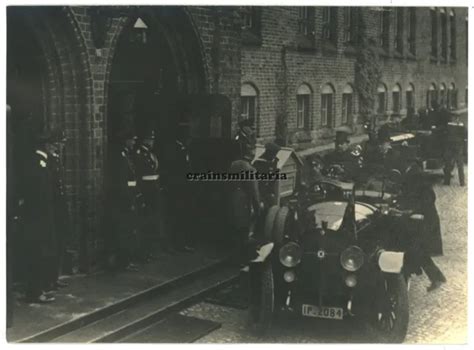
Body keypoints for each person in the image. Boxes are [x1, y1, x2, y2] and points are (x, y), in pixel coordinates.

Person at [22, 128, 59, 303]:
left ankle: (39, 288)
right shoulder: (38, 163)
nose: (55, 147)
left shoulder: (43, 162)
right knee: (37, 253)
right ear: (45, 145)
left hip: (42, 217)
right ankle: (35, 292)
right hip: (38, 218)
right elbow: (38, 194)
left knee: (42, 252)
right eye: (52, 144)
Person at [399, 162, 446, 292]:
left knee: (416, 249)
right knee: (419, 250)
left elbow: (422, 203)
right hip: (424, 221)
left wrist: (410, 211)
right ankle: (436, 277)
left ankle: (409, 277)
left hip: (424, 222)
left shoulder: (416, 179)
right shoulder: (420, 181)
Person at [107, 128, 140, 271]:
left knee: (128, 230)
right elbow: (122, 182)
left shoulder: (126, 154)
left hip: (129, 197)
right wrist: (129, 201)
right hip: (123, 201)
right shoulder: (120, 156)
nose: (134, 142)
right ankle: (122, 262)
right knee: (123, 231)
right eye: (132, 139)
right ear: (126, 140)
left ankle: (126, 260)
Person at [163, 124, 195, 253]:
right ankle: (171, 244)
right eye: (187, 137)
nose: (189, 140)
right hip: (175, 189)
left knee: (182, 216)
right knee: (173, 217)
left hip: (183, 189)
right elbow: (172, 170)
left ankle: (181, 243)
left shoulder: (183, 148)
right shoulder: (174, 149)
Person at [47, 128, 70, 291]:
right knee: (51, 244)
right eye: (60, 143)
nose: (61, 146)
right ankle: (50, 279)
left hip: (59, 207)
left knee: (59, 242)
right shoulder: (48, 161)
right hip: (52, 208)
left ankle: (54, 277)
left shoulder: (55, 160)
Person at [135, 129, 161, 261]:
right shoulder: (140, 154)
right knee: (144, 225)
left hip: (153, 193)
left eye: (153, 139)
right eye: (150, 139)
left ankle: (148, 252)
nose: (152, 141)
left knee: (151, 224)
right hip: (146, 194)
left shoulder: (150, 155)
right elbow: (140, 176)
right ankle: (143, 254)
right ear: (145, 140)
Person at [252, 142, 281, 209]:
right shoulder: (258, 163)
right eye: (274, 153)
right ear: (268, 153)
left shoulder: (274, 162)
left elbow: (273, 178)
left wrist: (272, 192)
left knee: (272, 205)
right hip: (259, 191)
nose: (275, 155)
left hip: (269, 191)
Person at [443, 113, 466, 186]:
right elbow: (465, 136)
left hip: (449, 146)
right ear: (457, 118)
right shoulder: (461, 126)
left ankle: (446, 182)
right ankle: (462, 182)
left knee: (448, 164)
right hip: (458, 146)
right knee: (460, 165)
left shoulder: (448, 125)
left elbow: (445, 134)